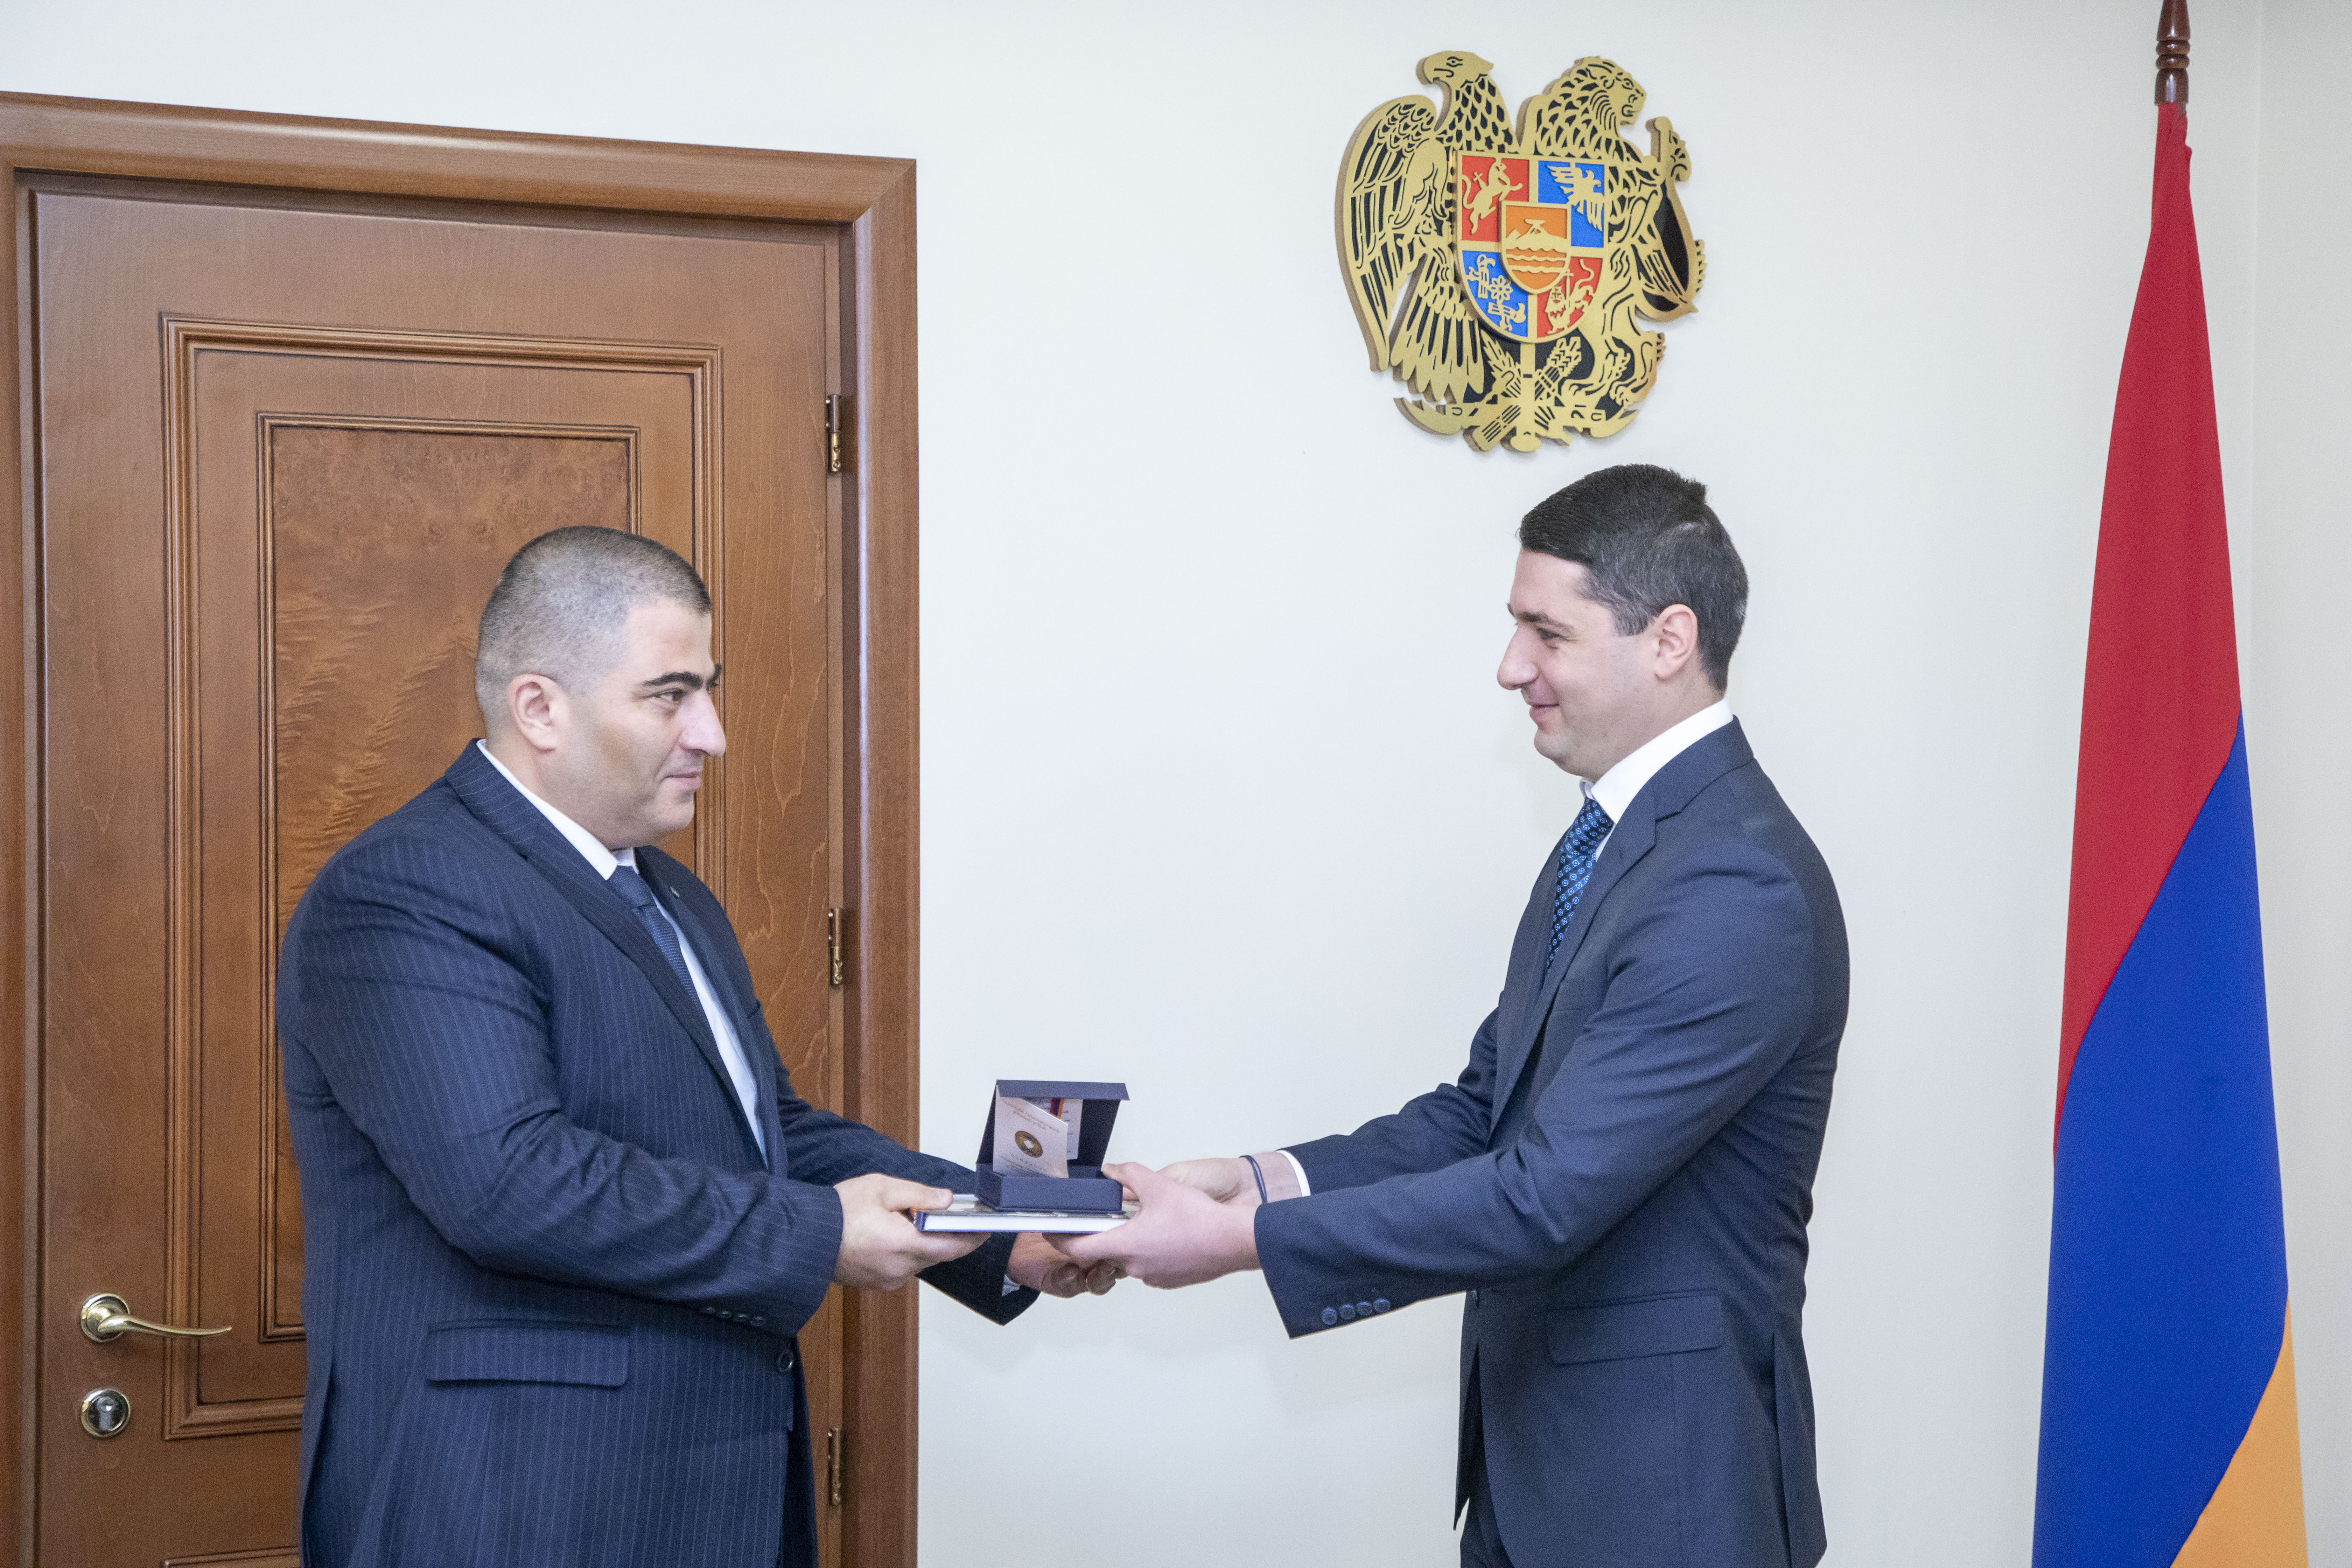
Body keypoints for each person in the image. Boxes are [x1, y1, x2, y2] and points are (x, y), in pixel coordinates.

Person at [278, 527, 1114, 1568]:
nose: (711, 734)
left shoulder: (670, 893)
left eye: (708, 692)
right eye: (670, 696)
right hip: (515, 1501)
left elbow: (773, 1136)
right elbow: (509, 1184)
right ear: (540, 708)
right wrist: (821, 1235)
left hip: (704, 1491)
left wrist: (1001, 1226)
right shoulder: (408, 889)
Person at [1062, 465, 1847, 1568]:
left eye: (1547, 633)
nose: (1511, 667)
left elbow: (1543, 1198)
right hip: (1537, 1483)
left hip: (1658, 1503)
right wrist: (1261, 1181)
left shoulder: (1734, 884)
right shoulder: (1613, 844)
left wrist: (1239, 1244)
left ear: (1669, 641)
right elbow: (1484, 1114)